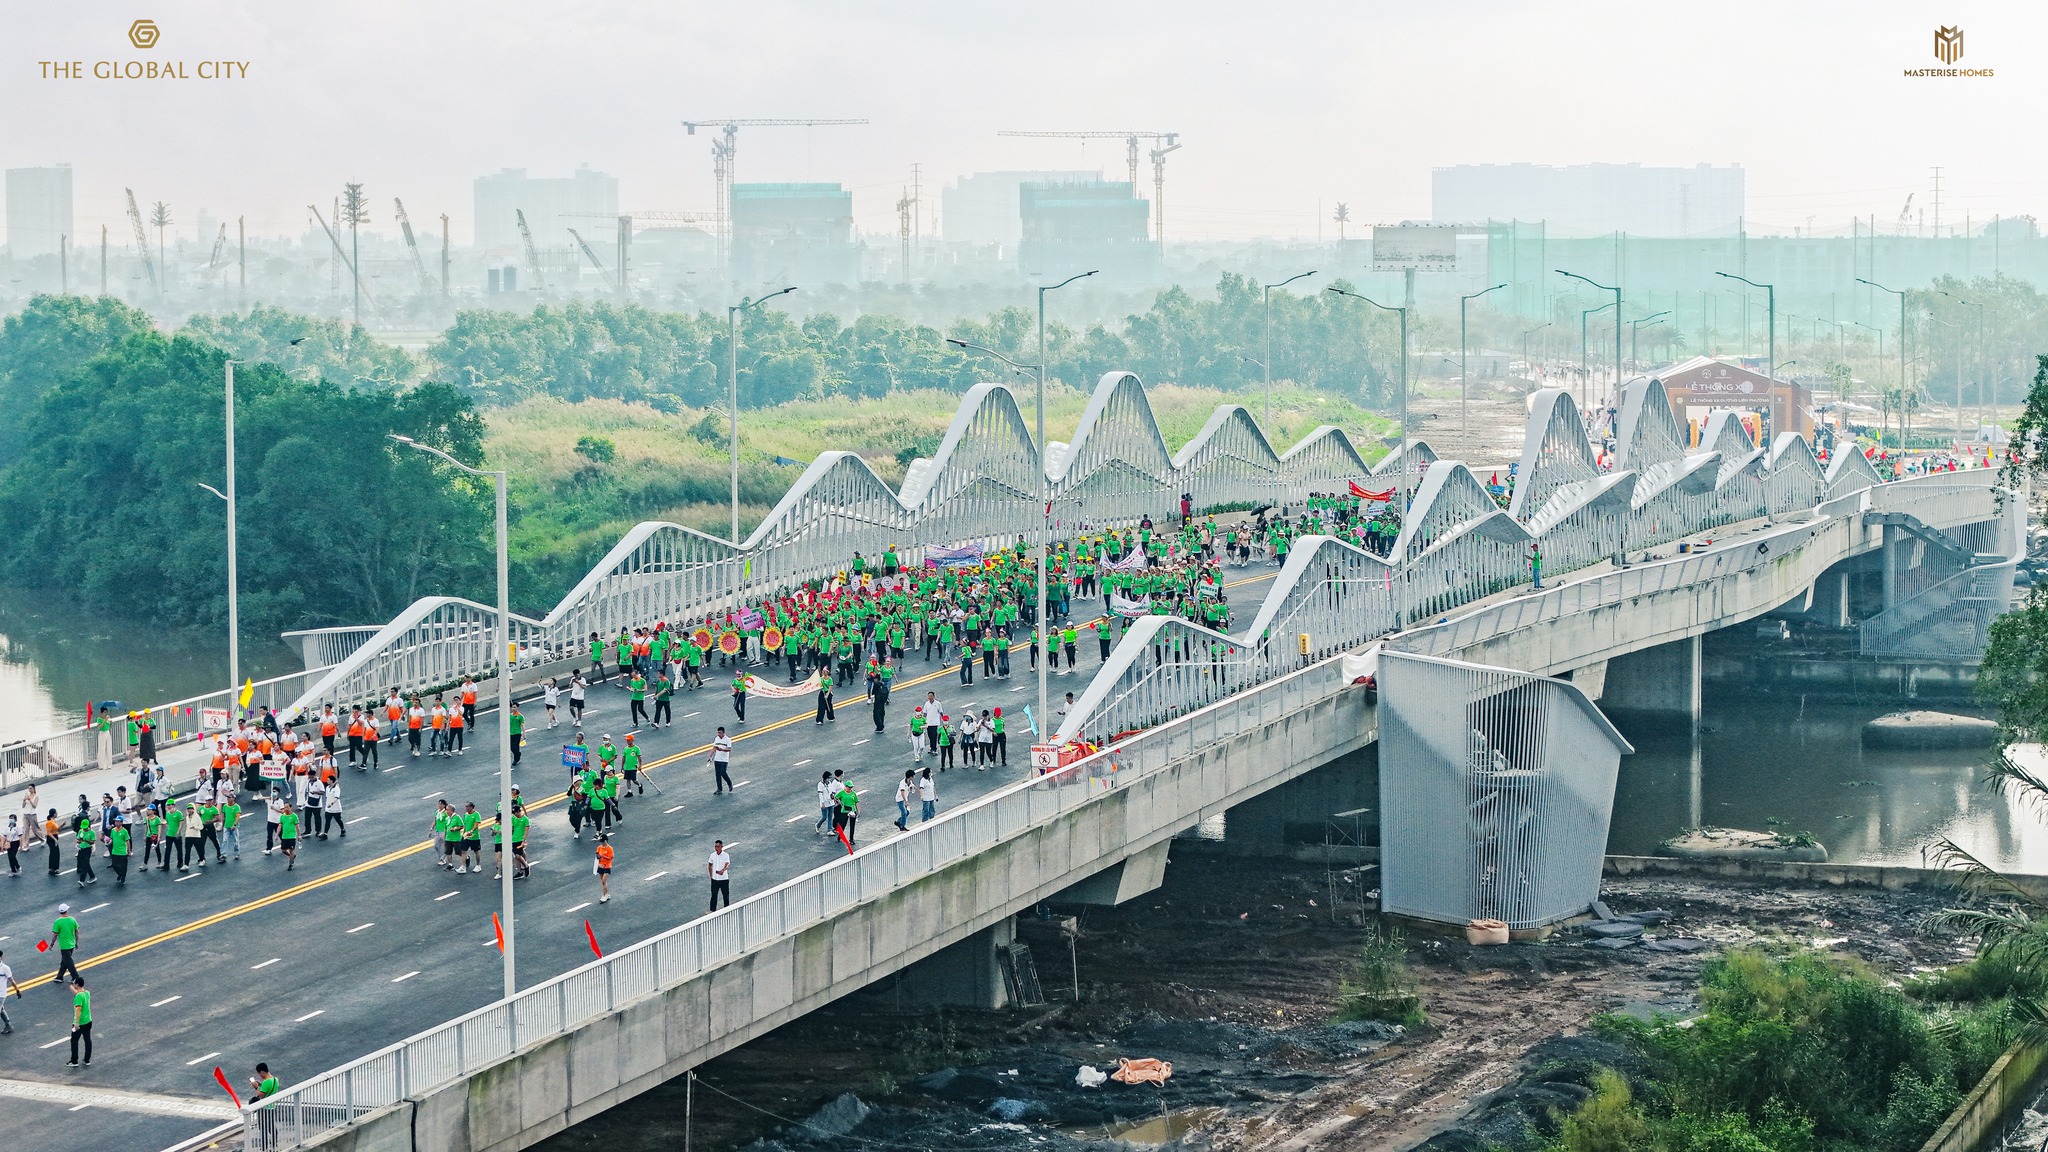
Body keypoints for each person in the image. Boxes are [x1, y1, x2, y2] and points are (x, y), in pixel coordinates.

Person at [47, 903, 82, 985]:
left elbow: (55, 934)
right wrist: (76, 942)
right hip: (71, 944)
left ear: (60, 912)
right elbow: (77, 932)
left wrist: (52, 944)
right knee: (65, 961)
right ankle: (59, 977)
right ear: (67, 910)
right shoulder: (72, 920)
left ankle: (76, 977)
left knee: (68, 962)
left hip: (64, 946)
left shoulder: (58, 922)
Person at [67, 976, 90, 1068]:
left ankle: (74, 1060)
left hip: (80, 1023)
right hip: (88, 1021)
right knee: (87, 1040)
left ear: (77, 984)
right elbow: (78, 993)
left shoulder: (78, 997)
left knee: (74, 1041)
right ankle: (87, 1060)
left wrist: (76, 1023)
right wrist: (72, 988)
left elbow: (78, 1010)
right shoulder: (86, 993)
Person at [0, 949, 20, 1034]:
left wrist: (17, 990)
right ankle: (8, 1025)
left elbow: (11, 980)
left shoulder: (5, 968)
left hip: (1, 994)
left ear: (1, 957)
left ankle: (8, 1026)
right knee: (1, 1009)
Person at [707, 839, 731, 910]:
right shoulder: (712, 855)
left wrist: (722, 870)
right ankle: (712, 910)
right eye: (715, 846)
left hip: (724, 879)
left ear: (721, 847)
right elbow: (710, 865)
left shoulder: (726, 855)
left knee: (725, 895)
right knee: (714, 896)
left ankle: (726, 909)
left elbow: (727, 865)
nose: (716, 848)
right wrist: (711, 876)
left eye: (717, 846)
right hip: (715, 880)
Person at [709, 727, 734, 794]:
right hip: (717, 759)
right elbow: (714, 747)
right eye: (718, 732)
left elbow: (729, 749)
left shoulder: (727, 739)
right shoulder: (716, 738)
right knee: (717, 775)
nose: (718, 734)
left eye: (720, 732)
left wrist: (722, 749)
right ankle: (719, 789)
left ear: (723, 732)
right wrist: (711, 754)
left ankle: (729, 783)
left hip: (724, 760)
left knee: (723, 772)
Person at [107, 819, 130, 885]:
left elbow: (127, 841)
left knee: (124, 866)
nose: (116, 823)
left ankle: (123, 878)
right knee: (114, 865)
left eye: (117, 821)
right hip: (115, 851)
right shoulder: (113, 830)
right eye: (115, 821)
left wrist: (129, 850)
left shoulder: (124, 831)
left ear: (121, 823)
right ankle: (120, 874)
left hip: (122, 851)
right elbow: (112, 839)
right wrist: (109, 843)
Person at [278, 803, 300, 871]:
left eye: (287, 807)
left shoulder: (294, 816)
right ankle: (292, 857)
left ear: (290, 808)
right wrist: (276, 835)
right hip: (284, 836)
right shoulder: (282, 816)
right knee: (284, 850)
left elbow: (297, 827)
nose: (286, 809)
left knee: (291, 850)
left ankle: (291, 864)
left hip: (292, 836)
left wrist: (299, 835)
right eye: (285, 807)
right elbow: (280, 825)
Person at [594, 833, 614, 903]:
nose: (602, 843)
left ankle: (604, 895)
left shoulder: (610, 849)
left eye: (603, 841)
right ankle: (607, 894)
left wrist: (602, 856)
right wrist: (598, 856)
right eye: (601, 841)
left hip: (607, 866)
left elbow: (610, 858)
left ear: (606, 841)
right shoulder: (599, 847)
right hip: (600, 866)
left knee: (603, 881)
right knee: (603, 882)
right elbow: (597, 856)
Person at [508, 704, 525, 768]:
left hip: (517, 733)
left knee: (516, 746)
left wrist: (523, 733)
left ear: (517, 708)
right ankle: (518, 754)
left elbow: (522, 725)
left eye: (515, 707)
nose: (513, 709)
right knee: (512, 747)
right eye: (512, 707)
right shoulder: (510, 716)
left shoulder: (520, 716)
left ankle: (516, 759)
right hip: (511, 733)